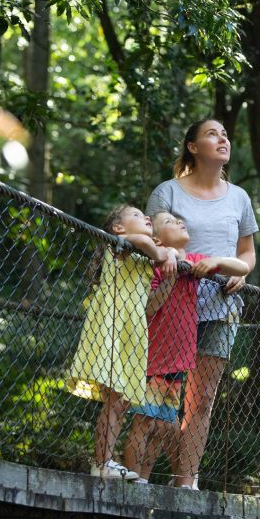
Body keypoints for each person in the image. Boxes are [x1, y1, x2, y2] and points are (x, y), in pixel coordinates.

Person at [146, 119, 258, 489]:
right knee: (162, 395)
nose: (223, 137)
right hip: (172, 303)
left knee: (202, 399)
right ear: (192, 146)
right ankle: (140, 476)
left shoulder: (239, 197)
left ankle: (185, 481)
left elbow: (246, 252)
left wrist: (241, 273)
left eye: (225, 133)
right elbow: (151, 240)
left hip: (221, 306)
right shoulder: (168, 192)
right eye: (212, 133)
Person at [123, 210, 250, 485]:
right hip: (153, 356)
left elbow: (242, 268)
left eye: (180, 220)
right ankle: (130, 478)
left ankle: (143, 479)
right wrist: (168, 261)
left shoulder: (193, 262)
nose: (180, 222)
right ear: (156, 237)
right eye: (170, 222)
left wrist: (214, 261)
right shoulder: (155, 263)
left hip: (178, 360)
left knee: (165, 425)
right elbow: (149, 307)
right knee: (144, 421)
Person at [68, 205, 177, 480]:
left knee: (120, 402)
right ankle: (102, 462)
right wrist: (163, 253)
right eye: (139, 216)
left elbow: (151, 306)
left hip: (132, 331)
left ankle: (104, 462)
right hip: (112, 325)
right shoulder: (122, 245)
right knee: (115, 400)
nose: (147, 219)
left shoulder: (143, 259)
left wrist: (168, 278)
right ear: (118, 228)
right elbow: (141, 240)